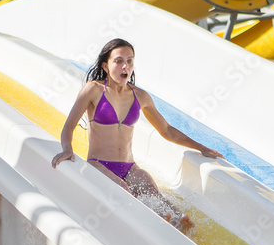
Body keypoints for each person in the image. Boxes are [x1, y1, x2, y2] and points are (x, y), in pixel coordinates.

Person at [51, 38, 222, 232]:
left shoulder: (140, 96)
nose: (126, 66)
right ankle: (155, 224)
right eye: (119, 61)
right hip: (98, 164)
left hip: (129, 166)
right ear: (106, 66)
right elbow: (69, 126)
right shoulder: (93, 90)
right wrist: (67, 149)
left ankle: (177, 225)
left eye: (130, 60)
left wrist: (201, 147)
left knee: (156, 196)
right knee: (125, 193)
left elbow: (166, 130)